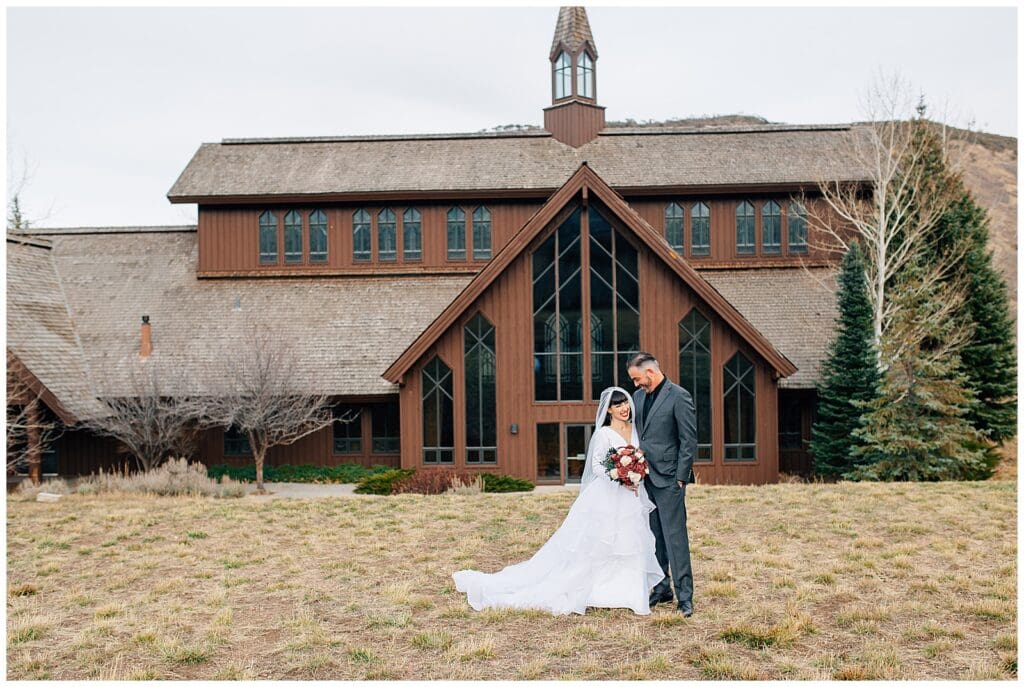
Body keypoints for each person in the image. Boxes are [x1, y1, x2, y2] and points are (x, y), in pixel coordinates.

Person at [452, 387, 664, 615]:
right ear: (609, 410)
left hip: (632, 497)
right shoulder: (604, 434)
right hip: (608, 495)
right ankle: (598, 593)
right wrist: (620, 479)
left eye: (625, 403)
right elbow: (596, 466)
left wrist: (634, 476)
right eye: (618, 405)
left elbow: (640, 458)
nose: (624, 408)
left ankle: (628, 594)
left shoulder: (635, 429)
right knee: (600, 543)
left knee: (630, 542)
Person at [627, 352, 697, 617]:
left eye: (637, 379)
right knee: (654, 537)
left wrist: (680, 477)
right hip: (645, 478)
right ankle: (662, 588)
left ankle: (685, 597)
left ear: (650, 372)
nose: (635, 384)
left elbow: (688, 440)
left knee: (675, 538)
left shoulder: (679, 396)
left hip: (669, 479)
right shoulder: (637, 398)